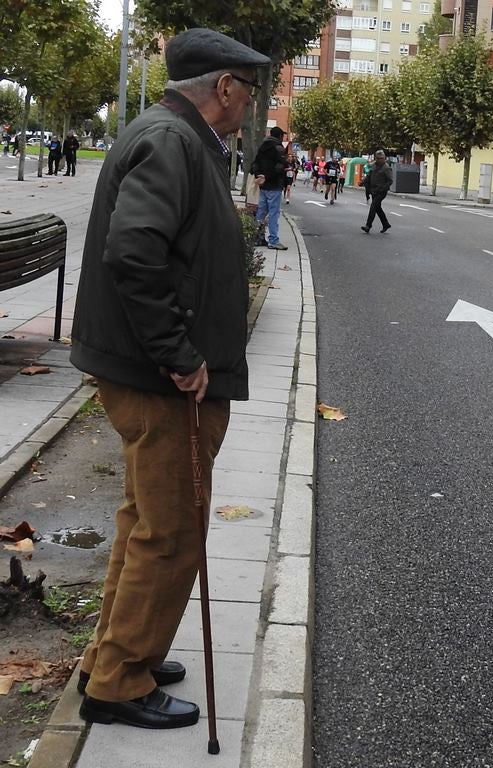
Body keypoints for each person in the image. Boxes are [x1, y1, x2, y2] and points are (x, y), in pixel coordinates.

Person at [69, 27, 266, 729]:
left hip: (147, 370)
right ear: (222, 88)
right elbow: (134, 252)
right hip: (161, 379)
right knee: (171, 532)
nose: (250, 106)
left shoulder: (168, 135)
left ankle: (119, 653)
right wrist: (180, 356)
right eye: (247, 91)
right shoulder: (174, 141)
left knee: (144, 521)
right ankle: (118, 683)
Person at [251, 125, 288, 250]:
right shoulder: (279, 148)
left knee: (261, 212)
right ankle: (273, 240)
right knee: (273, 213)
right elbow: (280, 166)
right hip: (274, 184)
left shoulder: (262, 147)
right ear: (280, 136)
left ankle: (257, 237)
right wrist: (267, 176)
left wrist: (259, 176)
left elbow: (255, 163)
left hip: (263, 185)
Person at [360, 149, 393, 234]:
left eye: (381, 158)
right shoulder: (374, 166)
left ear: (384, 158)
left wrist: (383, 188)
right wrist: (363, 182)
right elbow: (369, 176)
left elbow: (390, 181)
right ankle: (386, 224)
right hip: (374, 190)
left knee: (373, 207)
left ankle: (368, 226)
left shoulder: (386, 168)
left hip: (381, 192)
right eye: (378, 158)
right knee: (378, 209)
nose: (379, 160)